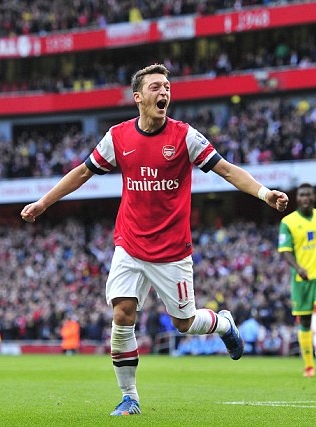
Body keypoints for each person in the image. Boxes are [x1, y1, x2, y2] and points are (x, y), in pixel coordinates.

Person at [21, 63, 289, 416]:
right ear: (138, 97)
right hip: (130, 245)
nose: (164, 92)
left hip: (172, 251)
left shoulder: (185, 136)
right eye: (156, 87)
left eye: (167, 87)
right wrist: (43, 203)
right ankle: (129, 397)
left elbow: (226, 169)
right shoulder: (118, 137)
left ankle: (224, 324)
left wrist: (265, 193)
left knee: (184, 323)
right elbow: (83, 172)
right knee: (122, 313)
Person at [277, 182, 316, 378]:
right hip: (301, 278)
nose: (305, 198)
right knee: (304, 320)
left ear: (314, 197)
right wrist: (298, 268)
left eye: (308, 194)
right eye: (302, 195)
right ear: (297, 198)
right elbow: (285, 251)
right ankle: (308, 366)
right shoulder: (288, 222)